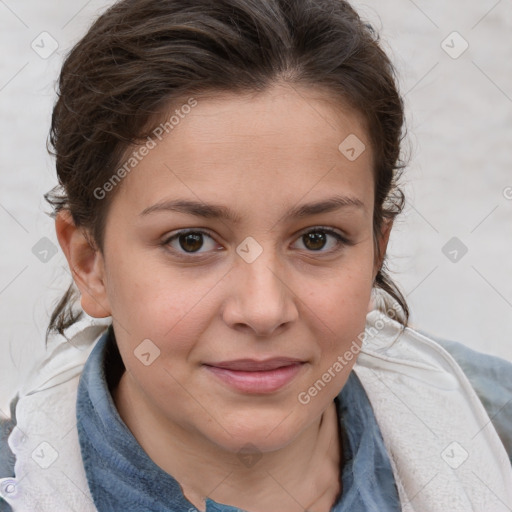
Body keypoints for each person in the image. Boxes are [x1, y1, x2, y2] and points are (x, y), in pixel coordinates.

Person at [1, 0, 511, 510]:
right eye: (192, 241)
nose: (264, 310)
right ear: (91, 264)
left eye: (317, 238)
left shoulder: (493, 425)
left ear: (378, 250)